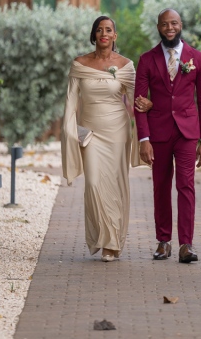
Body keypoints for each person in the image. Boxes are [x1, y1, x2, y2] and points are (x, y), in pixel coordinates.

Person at [61, 16, 152, 262]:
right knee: (92, 184)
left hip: (117, 132)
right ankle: (102, 236)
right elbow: (70, 104)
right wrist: (70, 133)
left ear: (115, 36)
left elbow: (137, 102)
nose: (104, 33)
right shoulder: (79, 64)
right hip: (90, 132)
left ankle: (112, 243)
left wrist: (148, 110)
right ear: (94, 35)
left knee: (116, 185)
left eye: (109, 30)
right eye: (99, 30)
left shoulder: (125, 66)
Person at [135, 8, 201, 264]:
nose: (170, 27)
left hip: (188, 133)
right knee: (161, 186)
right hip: (158, 133)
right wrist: (143, 139)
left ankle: (186, 245)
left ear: (181, 25)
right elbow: (139, 102)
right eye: (165, 24)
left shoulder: (196, 58)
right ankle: (163, 241)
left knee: (186, 186)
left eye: (174, 23)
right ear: (158, 27)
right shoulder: (146, 59)